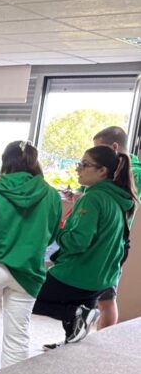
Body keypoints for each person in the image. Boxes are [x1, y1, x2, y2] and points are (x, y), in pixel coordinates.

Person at [0, 141, 61, 374]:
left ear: (5, 161)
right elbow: (51, 236)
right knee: (18, 336)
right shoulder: (51, 195)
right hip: (28, 271)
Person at [33, 145, 138, 345]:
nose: (78, 168)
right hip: (102, 278)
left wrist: (57, 232)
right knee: (78, 322)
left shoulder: (93, 198)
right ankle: (73, 331)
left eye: (84, 164)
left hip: (78, 275)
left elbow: (78, 242)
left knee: (24, 297)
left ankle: (74, 314)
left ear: (102, 171)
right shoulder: (117, 198)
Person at [91, 126, 141, 330]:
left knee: (106, 297)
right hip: (98, 237)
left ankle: (104, 337)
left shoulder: (132, 172)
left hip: (113, 240)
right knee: (94, 294)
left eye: (99, 149)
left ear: (113, 147)